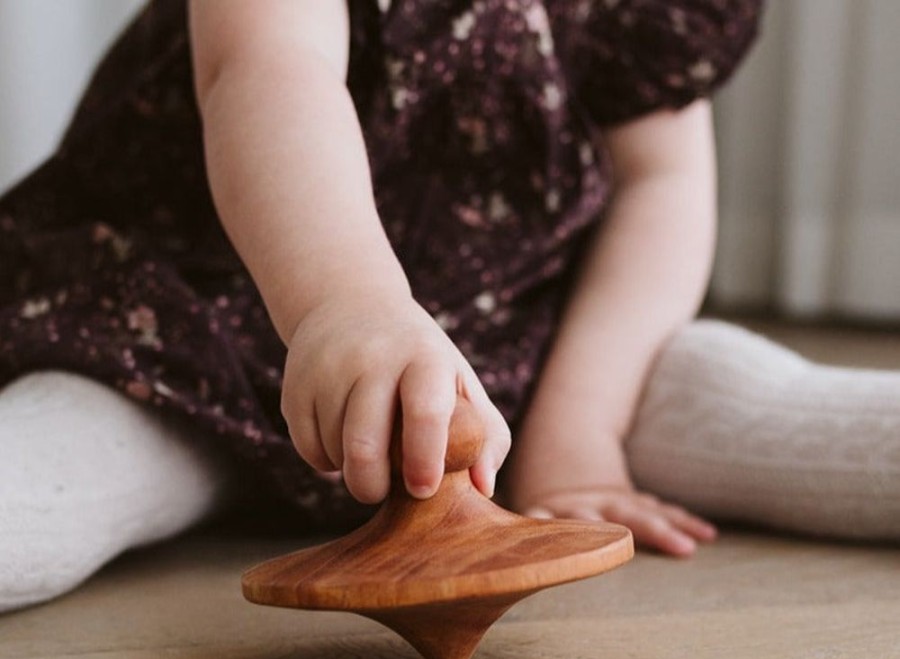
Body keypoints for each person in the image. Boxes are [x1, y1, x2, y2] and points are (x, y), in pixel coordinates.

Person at [1, 0, 897, 613]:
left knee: (734, 383)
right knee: (60, 465)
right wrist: (343, 306)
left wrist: (580, 430)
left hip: (522, 353)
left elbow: (659, 184)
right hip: (205, 333)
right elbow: (265, 69)